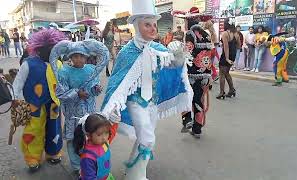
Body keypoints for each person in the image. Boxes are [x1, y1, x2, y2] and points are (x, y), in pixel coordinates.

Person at [101, 0, 193, 179]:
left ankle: (133, 170)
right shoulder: (127, 52)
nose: (153, 29)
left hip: (152, 100)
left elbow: (174, 63)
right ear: (137, 25)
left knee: (143, 138)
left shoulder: (157, 48)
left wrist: (178, 54)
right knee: (147, 138)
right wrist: (111, 106)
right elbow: (117, 82)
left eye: (154, 25)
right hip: (135, 101)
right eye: (147, 25)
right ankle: (137, 176)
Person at [50, 39, 108, 174]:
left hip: (89, 114)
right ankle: (76, 166)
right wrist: (77, 93)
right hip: (73, 115)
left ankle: (90, 162)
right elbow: (60, 93)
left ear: (86, 57)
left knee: (89, 138)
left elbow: (93, 89)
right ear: (70, 57)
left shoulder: (91, 70)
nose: (79, 59)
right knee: (73, 140)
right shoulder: (64, 72)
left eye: (82, 56)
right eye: (75, 56)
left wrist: (96, 89)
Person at [11, 29, 66, 172]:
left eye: (54, 49)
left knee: (54, 129)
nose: (51, 52)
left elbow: (63, 82)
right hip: (34, 105)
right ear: (39, 49)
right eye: (48, 49)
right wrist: (15, 98)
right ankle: (32, 157)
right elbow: (18, 82)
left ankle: (53, 152)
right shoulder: (28, 64)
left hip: (54, 104)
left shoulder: (58, 64)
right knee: (34, 129)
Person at [179, 8, 213, 138]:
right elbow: (210, 54)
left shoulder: (190, 34)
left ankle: (187, 120)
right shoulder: (206, 34)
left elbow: (188, 53)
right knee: (198, 100)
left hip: (191, 72)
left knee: (185, 97)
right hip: (204, 72)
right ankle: (197, 129)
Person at [73, 113, 119, 180]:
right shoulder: (88, 157)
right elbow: (89, 177)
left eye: (106, 133)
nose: (104, 138)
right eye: (99, 135)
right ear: (88, 135)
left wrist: (115, 123)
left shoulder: (104, 142)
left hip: (106, 177)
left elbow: (112, 133)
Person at [216, 21, 241, 100]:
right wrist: (233, 52)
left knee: (222, 74)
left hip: (226, 55)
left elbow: (226, 47)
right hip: (233, 55)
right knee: (226, 72)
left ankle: (221, 92)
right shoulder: (236, 34)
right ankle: (231, 90)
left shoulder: (225, 34)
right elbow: (239, 45)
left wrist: (226, 58)